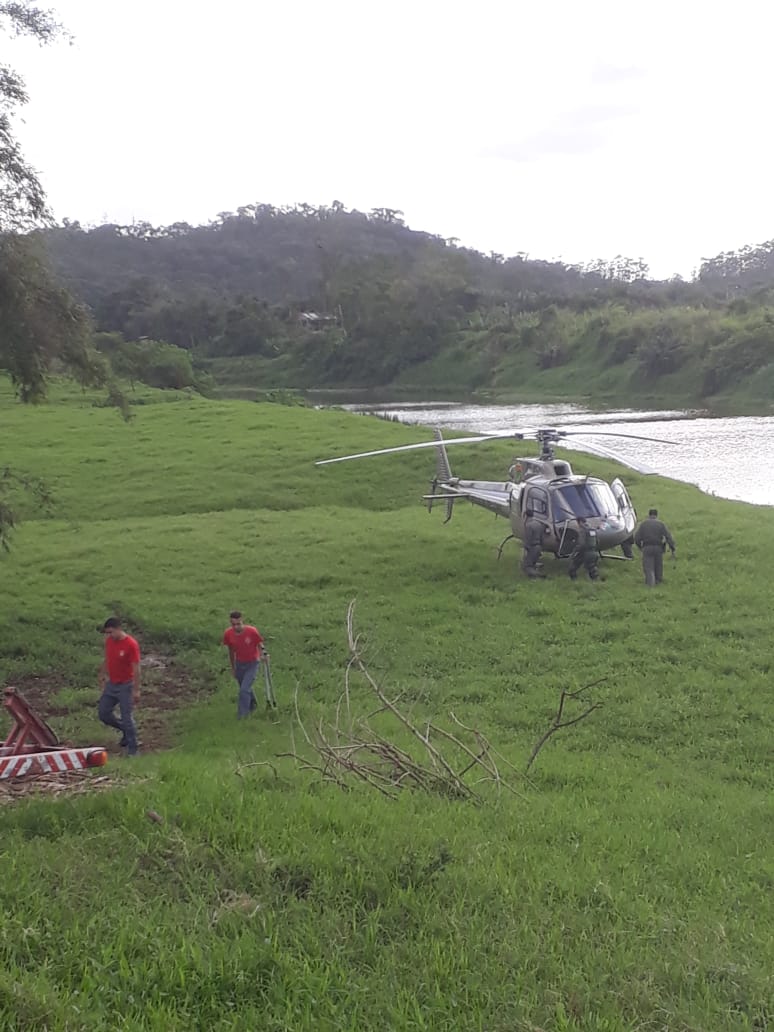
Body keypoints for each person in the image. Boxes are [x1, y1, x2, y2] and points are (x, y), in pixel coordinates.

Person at [98, 617, 141, 756]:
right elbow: (108, 658)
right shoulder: (110, 641)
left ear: (118, 629)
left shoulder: (131, 644)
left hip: (125, 685)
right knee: (103, 713)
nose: (109, 636)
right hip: (112, 684)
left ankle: (133, 749)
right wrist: (102, 673)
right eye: (107, 633)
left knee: (127, 716)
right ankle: (124, 730)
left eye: (111, 632)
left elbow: (136, 668)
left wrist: (136, 689)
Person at [222, 610, 265, 718]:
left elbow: (259, 643)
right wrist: (233, 667)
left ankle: (242, 715)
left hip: (253, 662)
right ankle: (253, 705)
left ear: (242, 621)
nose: (236, 627)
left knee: (244, 689)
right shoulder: (228, 634)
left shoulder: (252, 631)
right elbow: (231, 651)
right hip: (240, 663)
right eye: (233, 625)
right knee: (244, 687)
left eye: (238, 624)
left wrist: (264, 654)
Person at [634, 507, 676, 586]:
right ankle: (658, 582)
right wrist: (672, 548)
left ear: (649, 515)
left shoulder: (643, 524)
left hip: (647, 547)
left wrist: (640, 547)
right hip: (658, 547)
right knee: (658, 566)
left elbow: (636, 538)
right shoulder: (661, 524)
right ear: (656, 515)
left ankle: (651, 584)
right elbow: (668, 537)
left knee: (648, 567)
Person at [521, 508, 546, 579]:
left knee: (527, 566)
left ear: (526, 516)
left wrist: (526, 549)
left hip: (532, 547)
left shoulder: (528, 525)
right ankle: (533, 578)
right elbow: (542, 538)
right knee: (533, 563)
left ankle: (539, 575)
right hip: (539, 547)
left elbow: (528, 538)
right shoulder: (539, 524)